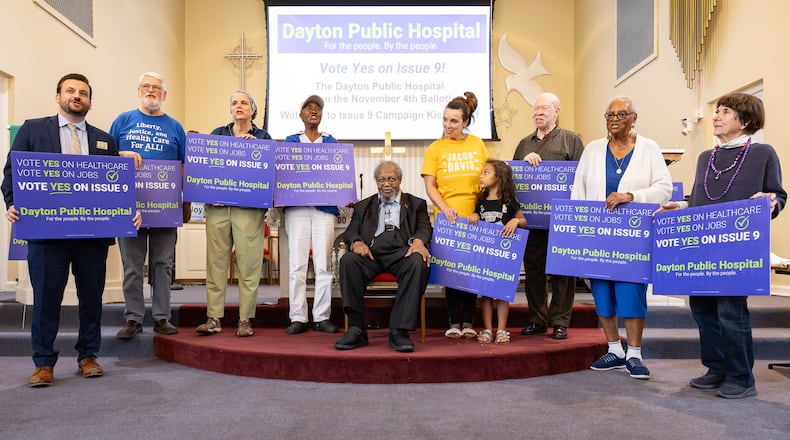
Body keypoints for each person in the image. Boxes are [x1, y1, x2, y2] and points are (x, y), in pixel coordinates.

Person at [1, 73, 141, 387]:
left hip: (92, 236)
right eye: (70, 91)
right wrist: (12, 203)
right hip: (46, 234)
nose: (76, 96)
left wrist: (129, 210)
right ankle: (43, 363)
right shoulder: (32, 130)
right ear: (58, 97)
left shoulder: (105, 139)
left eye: (83, 93)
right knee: (46, 300)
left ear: (90, 101)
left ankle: (88, 356)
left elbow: (115, 186)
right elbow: (12, 174)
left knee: (91, 299)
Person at [658, 93, 785, 398]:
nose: (716, 116)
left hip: (737, 249)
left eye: (725, 112)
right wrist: (680, 205)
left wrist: (770, 202)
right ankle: (716, 368)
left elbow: (777, 196)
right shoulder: (706, 157)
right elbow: (699, 200)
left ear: (746, 120)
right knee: (702, 309)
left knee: (731, 312)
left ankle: (741, 378)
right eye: (717, 111)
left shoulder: (763, 153)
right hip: (702, 248)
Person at [570, 96, 672, 380]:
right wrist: (578, 231)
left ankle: (635, 354)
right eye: (610, 115)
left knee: (631, 292)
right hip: (598, 235)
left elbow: (664, 189)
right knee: (602, 293)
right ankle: (614, 349)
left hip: (632, 237)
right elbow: (578, 191)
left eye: (621, 114)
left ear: (634, 118)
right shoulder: (592, 149)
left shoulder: (649, 148)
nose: (614, 119)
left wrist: (632, 196)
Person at [111, 72, 186, 339]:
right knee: (132, 265)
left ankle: (162, 317)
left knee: (163, 264)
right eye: (146, 86)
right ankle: (133, 317)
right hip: (129, 206)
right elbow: (105, 157)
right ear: (139, 90)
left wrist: (185, 203)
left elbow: (184, 166)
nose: (151, 90)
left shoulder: (175, 127)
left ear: (164, 94)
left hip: (166, 207)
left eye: (157, 88)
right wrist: (121, 153)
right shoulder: (123, 121)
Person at [195, 90, 271, 337]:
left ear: (252, 109)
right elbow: (205, 169)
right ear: (230, 109)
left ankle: (245, 318)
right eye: (234, 103)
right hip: (218, 209)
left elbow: (268, 173)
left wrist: (256, 148)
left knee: (249, 264)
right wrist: (209, 194)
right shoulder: (217, 134)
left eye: (244, 103)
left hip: (248, 210)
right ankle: (214, 318)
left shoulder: (263, 137)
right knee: (216, 263)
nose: (239, 106)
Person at [335, 161, 432, 352]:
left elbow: (424, 228)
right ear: (376, 182)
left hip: (402, 253)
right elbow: (351, 232)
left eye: (391, 179)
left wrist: (418, 242)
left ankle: (399, 331)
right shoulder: (363, 206)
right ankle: (356, 329)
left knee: (417, 261)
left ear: (400, 180)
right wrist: (357, 242)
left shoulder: (416, 204)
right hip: (371, 255)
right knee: (348, 260)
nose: (386, 184)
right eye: (382, 180)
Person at [512, 92, 584, 340]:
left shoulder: (570, 140)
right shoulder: (524, 143)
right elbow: (514, 179)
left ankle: (560, 321)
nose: (538, 113)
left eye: (544, 108)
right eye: (535, 108)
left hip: (562, 220)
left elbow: (581, 177)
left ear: (557, 112)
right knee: (534, 271)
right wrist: (524, 163)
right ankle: (537, 319)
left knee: (563, 271)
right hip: (532, 221)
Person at [422, 91, 489, 340]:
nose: (447, 125)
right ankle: (453, 321)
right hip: (447, 220)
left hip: (474, 219)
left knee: (471, 271)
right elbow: (430, 186)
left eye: (453, 121)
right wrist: (445, 208)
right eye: (445, 119)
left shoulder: (478, 144)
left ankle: (469, 321)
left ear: (465, 122)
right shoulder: (435, 149)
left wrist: (479, 210)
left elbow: (487, 180)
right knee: (452, 272)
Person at [282, 95, 340, 335]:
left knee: (323, 265)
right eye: (309, 108)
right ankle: (298, 316)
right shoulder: (291, 141)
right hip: (297, 209)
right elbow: (285, 172)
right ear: (301, 115)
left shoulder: (332, 142)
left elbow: (338, 173)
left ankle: (321, 316)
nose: (314, 111)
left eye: (318, 108)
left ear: (321, 115)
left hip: (323, 210)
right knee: (297, 264)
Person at [467, 159, 527, 345]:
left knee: (502, 294)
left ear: (499, 177)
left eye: (486, 173)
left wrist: (515, 221)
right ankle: (487, 329)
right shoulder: (481, 201)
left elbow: (523, 221)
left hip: (503, 257)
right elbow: (476, 218)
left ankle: (501, 329)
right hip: (485, 256)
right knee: (485, 294)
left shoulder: (509, 202)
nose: (481, 176)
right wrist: (474, 216)